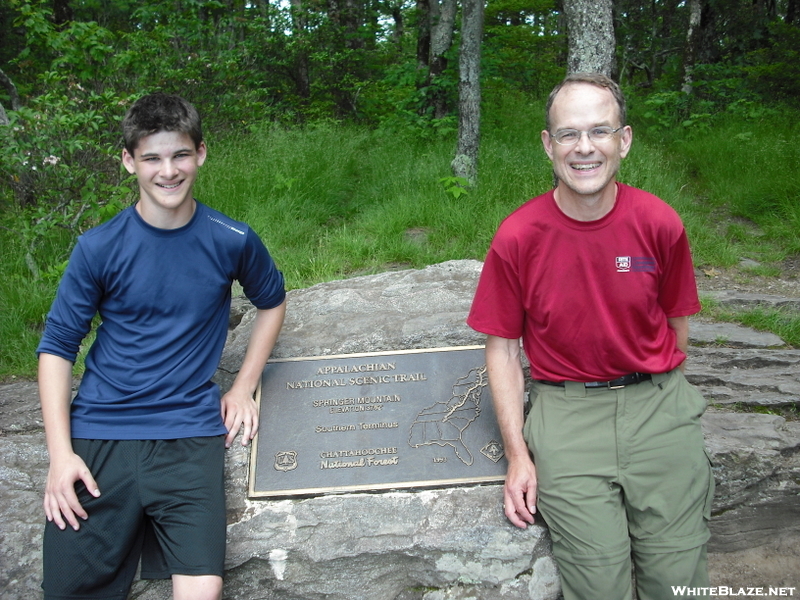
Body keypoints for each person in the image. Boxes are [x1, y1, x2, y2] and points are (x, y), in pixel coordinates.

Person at [467, 73, 714, 600]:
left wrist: (667, 402)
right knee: (598, 585)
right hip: (568, 420)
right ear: (547, 144)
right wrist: (518, 456)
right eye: (568, 134)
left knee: (679, 582)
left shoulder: (660, 223)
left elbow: (677, 323)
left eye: (600, 131)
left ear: (623, 141)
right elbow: (503, 350)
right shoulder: (518, 236)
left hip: (659, 413)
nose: (584, 148)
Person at [37, 92, 287, 600]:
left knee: (202, 590)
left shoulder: (231, 238)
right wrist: (61, 455)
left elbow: (273, 302)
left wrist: (242, 387)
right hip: (100, 432)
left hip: (189, 434)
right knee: (67, 590)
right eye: (151, 157)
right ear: (129, 161)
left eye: (179, 155)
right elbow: (58, 347)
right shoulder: (99, 247)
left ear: (200, 153)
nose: (167, 171)